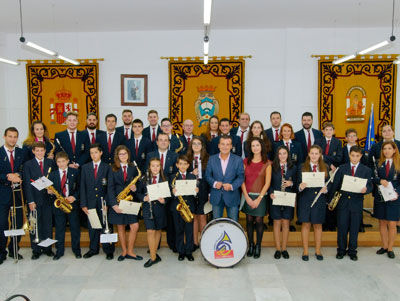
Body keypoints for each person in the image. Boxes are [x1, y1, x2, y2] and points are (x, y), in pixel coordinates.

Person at [331, 146, 372, 261]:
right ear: (349, 155)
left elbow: (370, 185)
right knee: (342, 227)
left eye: (357, 156)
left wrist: (366, 189)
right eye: (352, 155)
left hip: (356, 203)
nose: (354, 158)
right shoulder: (342, 168)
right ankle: (341, 250)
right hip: (343, 203)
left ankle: (353, 251)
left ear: (361, 156)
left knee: (354, 228)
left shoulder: (366, 170)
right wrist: (332, 200)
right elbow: (335, 185)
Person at [107, 145, 143, 261]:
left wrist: (135, 188)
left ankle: (130, 251)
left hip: (130, 201)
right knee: (121, 227)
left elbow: (139, 185)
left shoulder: (133, 168)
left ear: (128, 155)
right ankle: (124, 251)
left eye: (125, 153)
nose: (123, 156)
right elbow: (110, 188)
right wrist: (114, 205)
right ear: (117, 156)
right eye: (121, 154)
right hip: (118, 202)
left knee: (135, 226)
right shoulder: (112, 168)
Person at [80, 144, 115, 259]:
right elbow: (82, 187)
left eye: (95, 152)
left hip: (103, 203)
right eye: (91, 153)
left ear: (101, 153)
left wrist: (108, 203)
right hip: (90, 203)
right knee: (93, 227)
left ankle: (108, 249)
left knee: (106, 226)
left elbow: (110, 187)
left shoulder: (107, 167)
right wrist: (83, 204)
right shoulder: (85, 168)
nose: (93, 155)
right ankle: (93, 249)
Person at [146, 132, 178, 251]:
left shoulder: (174, 155)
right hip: (153, 192)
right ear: (157, 142)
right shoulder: (151, 155)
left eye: (166, 140)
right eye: (161, 140)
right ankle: (154, 246)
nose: (163, 142)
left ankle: (172, 244)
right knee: (155, 220)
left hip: (168, 191)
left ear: (169, 142)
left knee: (170, 219)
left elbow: (175, 175)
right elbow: (147, 172)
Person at [23, 141, 55, 259]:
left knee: (47, 225)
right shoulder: (28, 165)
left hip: (47, 200)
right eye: (37, 151)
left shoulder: (51, 162)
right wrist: (30, 201)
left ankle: (47, 248)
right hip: (34, 200)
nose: (40, 153)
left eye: (42, 150)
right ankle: (36, 250)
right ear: (33, 151)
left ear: (45, 151)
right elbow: (27, 184)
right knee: (35, 225)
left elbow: (54, 179)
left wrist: (52, 189)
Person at [297, 145, 329, 261]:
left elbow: (329, 183)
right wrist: (300, 186)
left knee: (318, 225)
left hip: (319, 201)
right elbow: (297, 183)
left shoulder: (325, 167)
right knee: (305, 225)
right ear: (309, 154)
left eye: (317, 153)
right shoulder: (301, 167)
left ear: (320, 155)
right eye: (312, 153)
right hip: (305, 200)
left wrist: (327, 189)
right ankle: (305, 251)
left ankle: (318, 250)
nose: (314, 155)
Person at [241, 137, 271, 258]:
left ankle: (258, 245)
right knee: (248, 220)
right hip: (247, 195)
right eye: (253, 146)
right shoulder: (245, 161)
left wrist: (259, 199)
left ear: (261, 147)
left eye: (257, 145)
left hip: (261, 197)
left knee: (259, 221)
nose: (255, 148)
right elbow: (242, 180)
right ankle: (251, 245)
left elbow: (267, 183)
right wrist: (247, 197)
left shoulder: (267, 163)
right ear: (250, 148)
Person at [48, 151, 81, 260]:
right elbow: (51, 190)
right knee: (59, 229)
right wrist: (50, 192)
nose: (61, 164)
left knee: (75, 228)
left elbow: (80, 188)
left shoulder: (75, 172)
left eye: (63, 161)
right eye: (59, 162)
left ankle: (76, 250)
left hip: (72, 205)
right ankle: (59, 251)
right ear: (56, 162)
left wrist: (74, 197)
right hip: (59, 206)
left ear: (67, 161)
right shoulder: (52, 175)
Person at [0, 127, 26, 263]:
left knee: (18, 223)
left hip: (18, 194)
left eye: (15, 137)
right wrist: (7, 176)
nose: (12, 139)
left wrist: (19, 175)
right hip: (3, 193)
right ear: (5, 137)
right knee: (2, 224)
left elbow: (25, 169)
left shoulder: (22, 152)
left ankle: (14, 249)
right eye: (10, 136)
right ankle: (1, 252)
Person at [205, 135, 244, 221]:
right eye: (223, 144)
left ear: (231, 146)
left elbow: (241, 177)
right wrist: (214, 183)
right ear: (218, 145)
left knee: (233, 222)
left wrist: (232, 186)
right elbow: (207, 175)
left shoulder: (238, 160)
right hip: (216, 195)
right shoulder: (211, 159)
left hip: (232, 195)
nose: (225, 147)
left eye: (227, 144)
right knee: (216, 222)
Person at [136, 158, 167, 267]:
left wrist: (164, 200)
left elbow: (169, 196)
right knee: (150, 231)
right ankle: (153, 257)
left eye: (157, 166)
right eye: (153, 166)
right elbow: (138, 193)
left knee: (158, 230)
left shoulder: (164, 179)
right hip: (147, 209)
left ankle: (154, 252)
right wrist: (144, 197)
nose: (155, 168)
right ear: (149, 167)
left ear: (160, 167)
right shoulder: (144, 179)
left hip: (160, 210)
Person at [372, 142, 400, 259]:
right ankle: (384, 246)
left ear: (394, 150)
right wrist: (379, 181)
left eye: (389, 148)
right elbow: (373, 177)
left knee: (392, 223)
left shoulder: (399, 164)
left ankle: (390, 248)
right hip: (381, 197)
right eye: (384, 149)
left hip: (394, 197)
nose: (386, 151)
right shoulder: (378, 163)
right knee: (382, 222)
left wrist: (397, 192)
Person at [269, 145, 297, 259]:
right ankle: (277, 248)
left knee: (286, 223)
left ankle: (284, 248)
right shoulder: (272, 167)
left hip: (288, 198)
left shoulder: (293, 168)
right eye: (280, 154)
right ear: (277, 155)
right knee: (277, 223)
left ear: (288, 155)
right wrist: (270, 192)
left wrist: (292, 183)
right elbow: (268, 182)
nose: (282, 156)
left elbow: (298, 182)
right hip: (275, 198)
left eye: (284, 153)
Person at [315, 122, 343, 232]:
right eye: (326, 130)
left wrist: (325, 158)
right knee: (323, 196)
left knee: (331, 195)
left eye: (330, 130)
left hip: (333, 172)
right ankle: (323, 223)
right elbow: (316, 156)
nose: (328, 132)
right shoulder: (318, 141)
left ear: (334, 131)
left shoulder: (338, 142)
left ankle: (331, 224)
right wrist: (329, 161)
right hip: (321, 171)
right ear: (323, 131)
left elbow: (339, 158)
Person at [170, 155, 198, 261]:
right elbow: (168, 193)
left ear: (188, 165)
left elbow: (194, 195)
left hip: (189, 207)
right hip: (177, 207)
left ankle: (189, 251)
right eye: (180, 164)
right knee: (179, 230)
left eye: (185, 164)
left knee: (189, 230)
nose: (183, 166)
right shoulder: (172, 177)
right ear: (177, 165)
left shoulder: (192, 177)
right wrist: (173, 193)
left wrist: (196, 192)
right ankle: (181, 251)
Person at [186, 136, 209, 250]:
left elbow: (210, 176)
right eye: (194, 143)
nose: (196, 146)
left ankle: (204, 241)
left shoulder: (208, 159)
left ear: (202, 146)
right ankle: (194, 242)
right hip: (190, 190)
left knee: (202, 216)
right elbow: (183, 175)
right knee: (193, 216)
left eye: (198, 143)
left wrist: (210, 193)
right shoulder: (187, 158)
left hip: (203, 190)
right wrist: (191, 173)